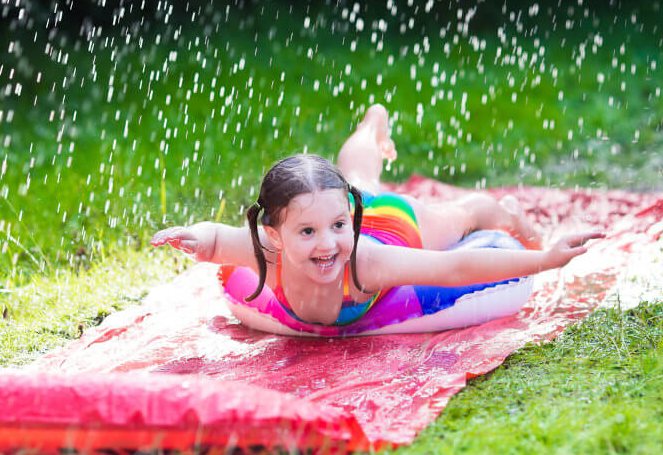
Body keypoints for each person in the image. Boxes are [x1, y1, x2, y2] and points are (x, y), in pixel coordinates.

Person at [150, 105, 602, 326]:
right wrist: (190, 235)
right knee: (359, 177)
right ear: (275, 234)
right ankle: (371, 128)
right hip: (353, 209)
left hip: (393, 226)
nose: (327, 245)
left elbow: (455, 266)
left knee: (465, 214)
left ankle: (504, 212)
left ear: (346, 219)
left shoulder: (363, 263)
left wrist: (545, 260)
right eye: (306, 231)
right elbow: (213, 242)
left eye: (334, 228)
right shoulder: (264, 253)